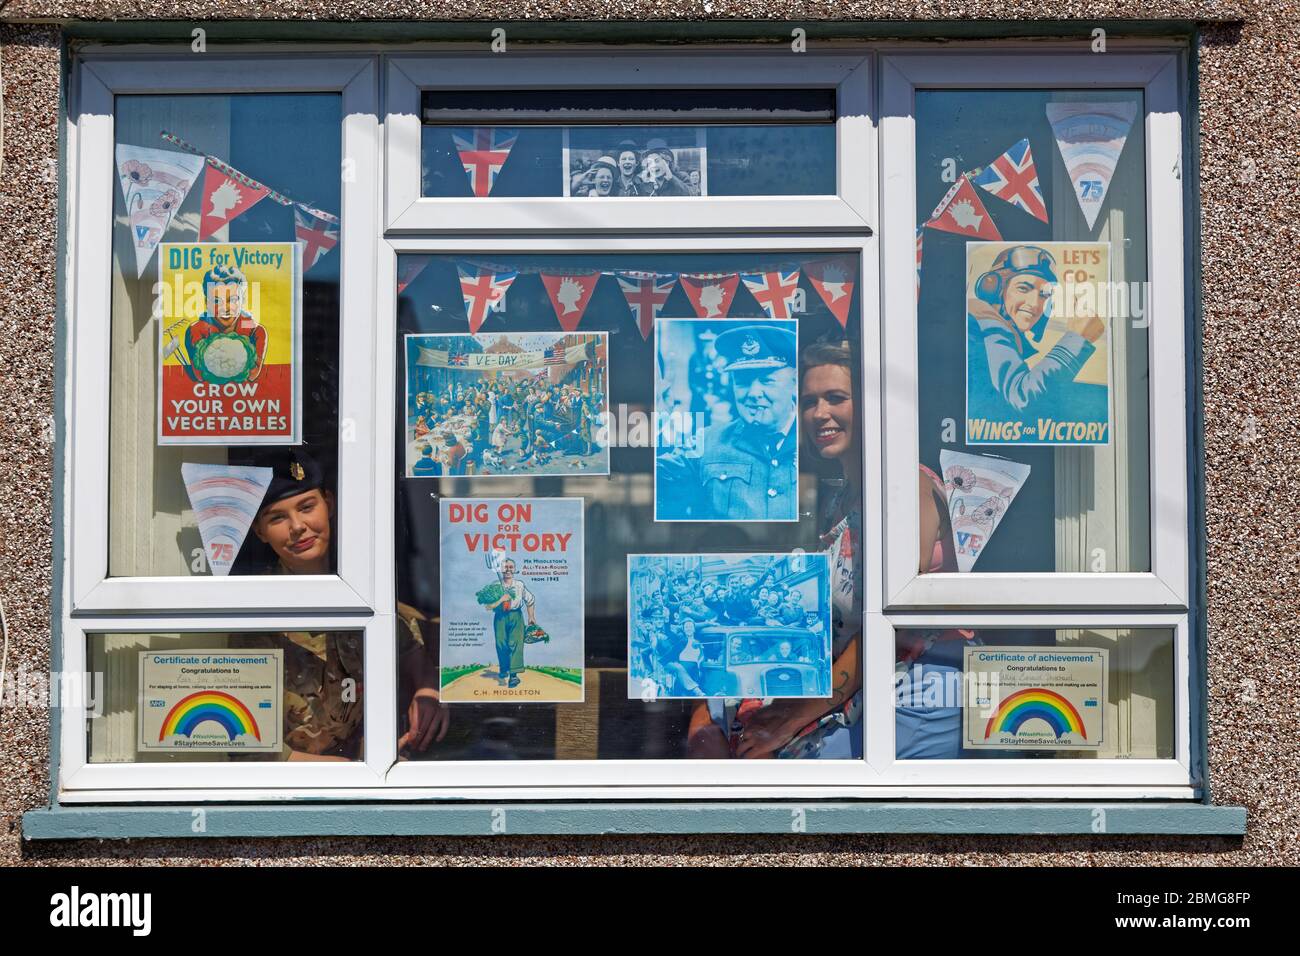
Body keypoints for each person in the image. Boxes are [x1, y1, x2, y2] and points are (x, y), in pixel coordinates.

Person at [234, 450, 447, 760]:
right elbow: (251, 747)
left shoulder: (365, 590)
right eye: (277, 517)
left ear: (329, 504)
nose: (297, 527)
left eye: (307, 507)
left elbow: (410, 650)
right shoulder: (254, 615)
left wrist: (428, 692)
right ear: (259, 531)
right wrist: (343, 773)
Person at [656, 325, 799, 521]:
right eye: (743, 381)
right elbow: (655, 478)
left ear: (795, 383)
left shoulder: (816, 443)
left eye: (767, 380)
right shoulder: (706, 441)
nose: (753, 393)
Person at [967, 244, 1105, 419]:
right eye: (1023, 288)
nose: (1034, 303)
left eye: (1044, 295)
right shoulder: (983, 317)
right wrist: (1077, 339)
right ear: (995, 289)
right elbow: (1024, 399)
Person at [184, 263, 267, 383]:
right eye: (217, 301)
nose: (225, 308)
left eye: (233, 300)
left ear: (242, 301)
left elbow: (252, 375)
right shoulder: (196, 330)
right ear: (207, 302)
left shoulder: (256, 331)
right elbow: (201, 376)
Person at [481, 558, 536, 688]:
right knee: (501, 644)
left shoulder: (520, 585)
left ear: (515, 569)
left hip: (516, 616)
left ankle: (513, 676)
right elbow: (488, 607)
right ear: (501, 569)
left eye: (511, 567)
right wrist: (501, 599)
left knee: (516, 644)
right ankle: (504, 669)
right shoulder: (495, 585)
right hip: (500, 617)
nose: (508, 570)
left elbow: (530, 600)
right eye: (505, 567)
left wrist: (531, 616)